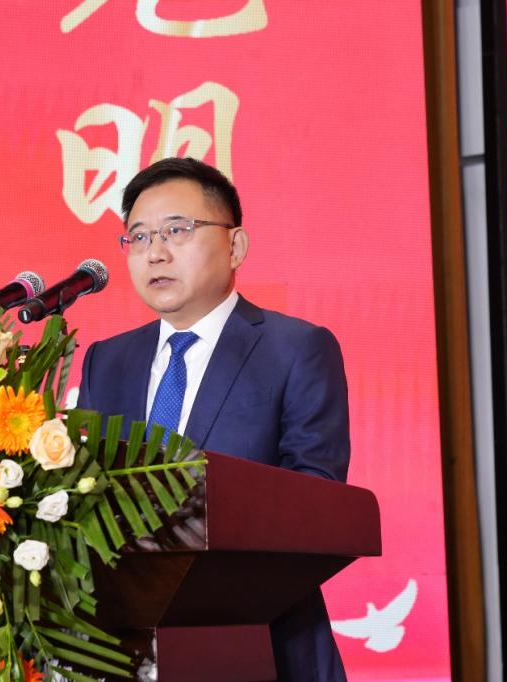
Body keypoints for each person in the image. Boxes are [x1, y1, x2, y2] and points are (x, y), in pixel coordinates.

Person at [77, 157, 350, 681]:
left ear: (235, 246)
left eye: (177, 230)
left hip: (260, 642)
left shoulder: (295, 349)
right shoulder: (106, 361)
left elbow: (315, 500)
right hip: (123, 650)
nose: (155, 252)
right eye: (138, 237)